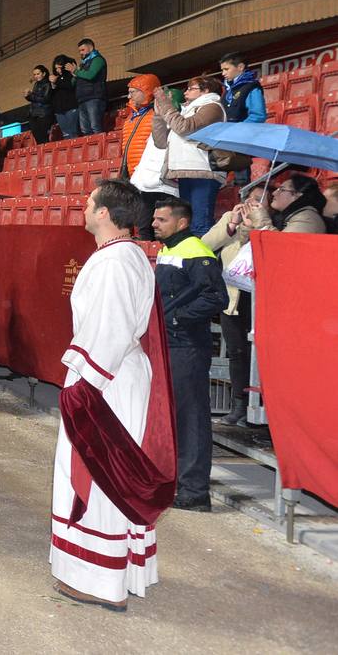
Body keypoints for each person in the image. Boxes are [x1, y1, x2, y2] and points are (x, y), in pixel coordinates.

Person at [50, 179, 176, 612]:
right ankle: (119, 569)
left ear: (104, 213)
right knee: (110, 473)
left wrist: (85, 387)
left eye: (88, 203)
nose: (83, 209)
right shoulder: (126, 256)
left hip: (105, 381)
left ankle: (98, 579)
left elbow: (111, 330)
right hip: (117, 376)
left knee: (97, 473)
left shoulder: (115, 263)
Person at [150, 198, 226, 512]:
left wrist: (177, 319)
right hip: (171, 343)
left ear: (181, 222)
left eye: (161, 219)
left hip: (187, 347)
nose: (154, 223)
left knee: (191, 418)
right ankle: (179, 482)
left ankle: (195, 491)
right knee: (175, 416)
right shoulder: (170, 249)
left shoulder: (196, 252)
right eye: (154, 218)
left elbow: (215, 298)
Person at [202, 186, 266, 426]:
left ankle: (258, 406)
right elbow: (205, 244)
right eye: (249, 198)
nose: (252, 204)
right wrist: (231, 224)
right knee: (237, 352)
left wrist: (260, 223)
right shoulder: (232, 220)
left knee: (259, 356)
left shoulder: (272, 223)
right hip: (234, 298)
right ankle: (239, 404)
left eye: (259, 200)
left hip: (259, 298)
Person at [152, 77, 226, 236]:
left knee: (200, 224)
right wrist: (159, 115)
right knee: (188, 225)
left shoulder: (212, 106)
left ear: (206, 90)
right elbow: (161, 142)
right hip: (185, 171)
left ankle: (204, 260)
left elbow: (184, 128)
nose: (185, 92)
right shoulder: (187, 111)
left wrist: (167, 106)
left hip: (203, 171)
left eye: (191, 88)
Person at [122, 73, 173, 240]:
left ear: (147, 91)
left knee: (156, 220)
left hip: (155, 175)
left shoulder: (155, 115)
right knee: (142, 220)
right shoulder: (130, 118)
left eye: (133, 91)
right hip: (136, 174)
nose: (129, 96)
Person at [246, 173, 327, 235]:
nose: (274, 193)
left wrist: (261, 221)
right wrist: (248, 226)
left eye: (282, 189)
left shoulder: (307, 219)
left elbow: (281, 246)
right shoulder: (285, 217)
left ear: (297, 195)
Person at [218, 55, 266, 124]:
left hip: (244, 133)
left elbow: (258, 116)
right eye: (222, 70)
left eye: (226, 69)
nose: (223, 73)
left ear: (240, 67)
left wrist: (236, 130)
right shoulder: (228, 91)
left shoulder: (251, 87)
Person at [74, 38, 107, 136]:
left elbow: (90, 75)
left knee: (95, 126)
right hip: (82, 98)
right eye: (79, 51)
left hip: (94, 97)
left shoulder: (98, 60)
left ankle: (100, 149)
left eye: (82, 50)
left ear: (91, 48)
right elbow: (76, 81)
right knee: (85, 129)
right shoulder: (83, 63)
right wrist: (75, 74)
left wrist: (76, 71)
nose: (81, 53)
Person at [51, 55, 79, 140]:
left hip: (71, 107)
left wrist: (57, 81)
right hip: (59, 110)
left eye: (60, 68)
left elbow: (70, 86)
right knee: (65, 134)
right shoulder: (56, 78)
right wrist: (53, 85)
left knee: (73, 132)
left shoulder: (71, 75)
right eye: (56, 69)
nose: (58, 70)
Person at [26, 65, 54, 144]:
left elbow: (45, 99)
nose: (36, 76)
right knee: (37, 138)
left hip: (43, 114)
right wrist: (28, 96)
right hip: (34, 114)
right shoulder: (36, 84)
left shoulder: (47, 83)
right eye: (34, 74)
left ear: (44, 73)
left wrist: (31, 95)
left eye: (38, 74)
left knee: (43, 137)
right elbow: (34, 99)